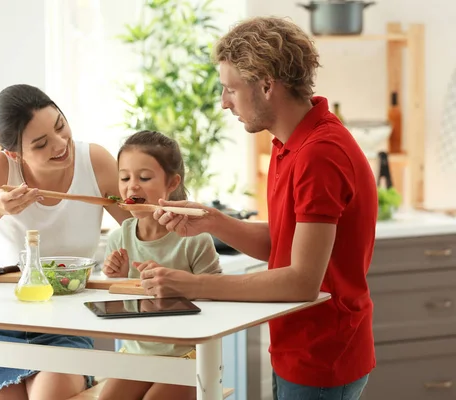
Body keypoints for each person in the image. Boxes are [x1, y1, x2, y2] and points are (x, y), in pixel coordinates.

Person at [142, 17, 377, 400]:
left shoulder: (320, 155)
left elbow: (302, 280)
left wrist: (194, 285)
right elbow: (287, 243)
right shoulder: (291, 145)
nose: (223, 102)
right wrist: (213, 221)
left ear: (267, 85)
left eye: (230, 89)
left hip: (323, 353)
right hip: (299, 344)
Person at [0, 84, 130, 400]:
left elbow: (140, 230)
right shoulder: (1, 168)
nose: (60, 144)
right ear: (13, 152)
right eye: (41, 144)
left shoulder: (94, 161)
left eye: (60, 126)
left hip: (65, 324)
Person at [97, 130, 221, 400]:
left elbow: (218, 300)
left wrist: (180, 285)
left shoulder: (194, 238)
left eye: (144, 178)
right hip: (136, 354)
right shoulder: (120, 237)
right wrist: (116, 282)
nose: (132, 186)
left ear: (172, 182)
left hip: (188, 356)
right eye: (124, 177)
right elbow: (120, 308)